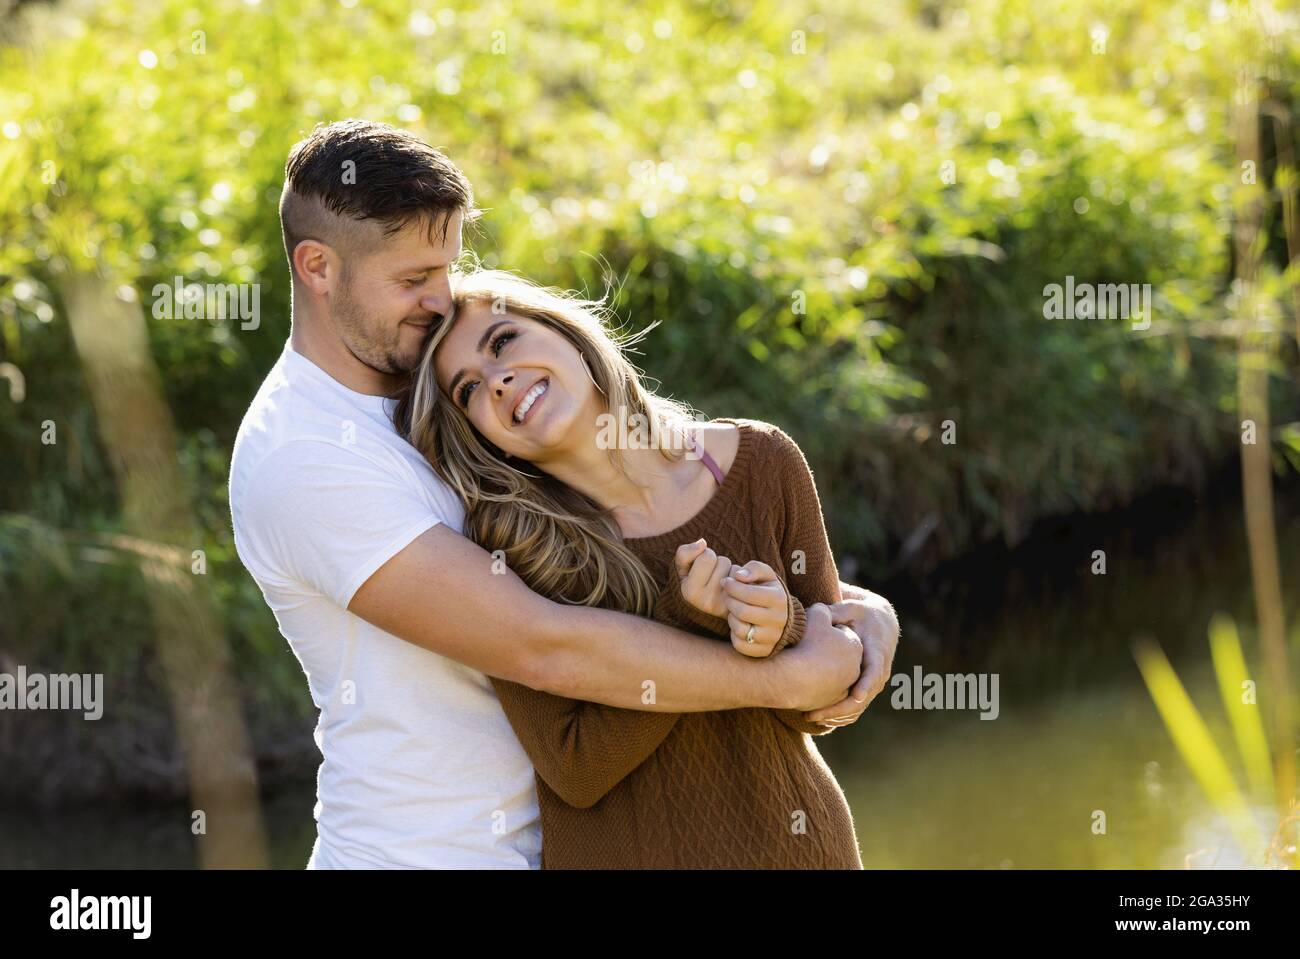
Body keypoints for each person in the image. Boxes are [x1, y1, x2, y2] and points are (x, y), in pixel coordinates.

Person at [228, 119, 899, 869]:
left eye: (446, 270)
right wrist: (785, 670)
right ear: (318, 267)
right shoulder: (303, 455)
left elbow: (648, 533)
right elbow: (546, 645)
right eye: (413, 280)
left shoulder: (445, 396)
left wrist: (855, 612)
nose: (439, 299)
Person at [396, 269, 864, 867]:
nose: (498, 379)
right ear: (481, 439)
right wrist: (686, 621)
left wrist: (782, 623)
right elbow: (574, 766)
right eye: (467, 390)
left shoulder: (762, 462)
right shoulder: (510, 552)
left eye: (503, 341)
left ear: (564, 331)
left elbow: (822, 697)